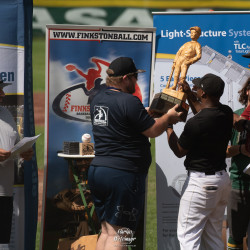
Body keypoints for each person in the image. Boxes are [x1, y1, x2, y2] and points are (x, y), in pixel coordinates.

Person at [88, 57, 182, 250]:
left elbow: (121, 121)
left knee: (106, 231)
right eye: (134, 78)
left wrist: (144, 114)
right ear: (125, 78)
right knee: (120, 234)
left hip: (98, 171)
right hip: (123, 174)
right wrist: (169, 117)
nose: (136, 82)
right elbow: (153, 131)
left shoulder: (97, 98)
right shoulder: (129, 101)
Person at [167, 73, 233, 250]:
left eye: (198, 88)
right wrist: (189, 94)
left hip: (201, 184)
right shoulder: (225, 112)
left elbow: (179, 151)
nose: (195, 89)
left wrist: (168, 124)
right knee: (213, 237)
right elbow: (203, 110)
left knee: (188, 239)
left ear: (203, 93)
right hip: (221, 181)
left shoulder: (197, 122)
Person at [0, 79, 33, 244]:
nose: (3, 94)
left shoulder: (5, 113)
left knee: (3, 243)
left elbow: (14, 142)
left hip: (5, 192)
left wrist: (24, 151)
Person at [226, 77, 250, 250]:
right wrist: (241, 149)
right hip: (238, 182)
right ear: (247, 90)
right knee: (235, 238)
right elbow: (222, 150)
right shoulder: (236, 115)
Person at [167, 26, 202, 91]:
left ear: (197, 34)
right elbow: (178, 52)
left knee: (183, 76)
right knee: (176, 73)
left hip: (186, 60)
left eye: (193, 33)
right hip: (179, 59)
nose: (191, 34)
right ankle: (174, 86)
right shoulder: (186, 43)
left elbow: (199, 56)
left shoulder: (197, 45)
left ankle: (180, 88)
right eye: (191, 33)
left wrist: (190, 61)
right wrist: (175, 62)